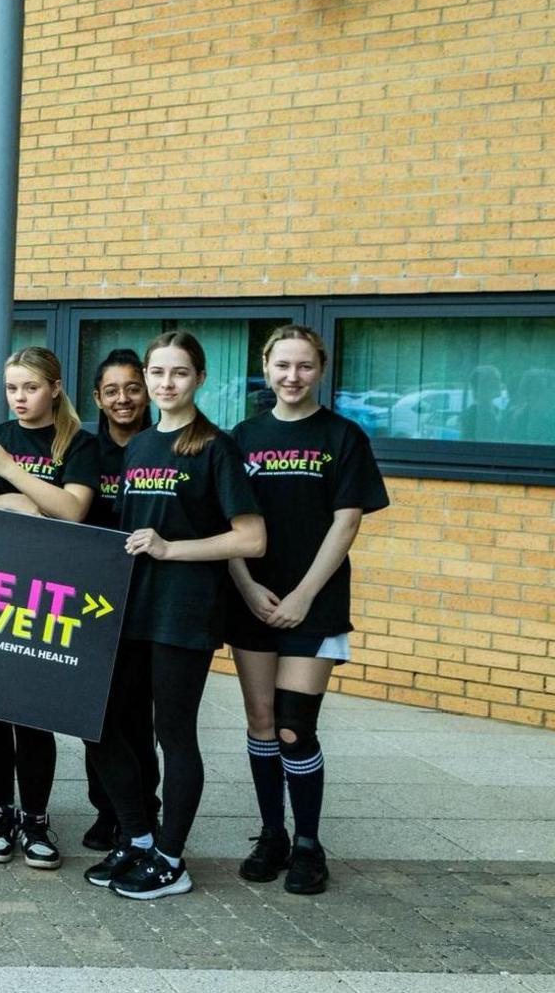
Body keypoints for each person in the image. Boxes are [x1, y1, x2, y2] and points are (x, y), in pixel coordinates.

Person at [86, 331, 265, 901]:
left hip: (184, 612)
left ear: (200, 379)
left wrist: (170, 549)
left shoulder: (215, 446)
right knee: (105, 724)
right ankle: (137, 838)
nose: (166, 384)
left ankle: (170, 858)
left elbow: (251, 538)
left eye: (179, 373)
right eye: (157, 373)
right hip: (131, 610)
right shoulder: (138, 448)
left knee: (173, 734)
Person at [227, 326, 388, 895]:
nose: (292, 377)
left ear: (320, 369)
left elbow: (346, 523)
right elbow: (228, 526)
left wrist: (302, 596)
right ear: (265, 368)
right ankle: (272, 833)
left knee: (296, 728)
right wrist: (247, 587)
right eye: (282, 365)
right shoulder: (241, 437)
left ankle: (309, 844)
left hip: (313, 606)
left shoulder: (343, 437)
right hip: (252, 600)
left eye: (304, 366)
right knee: (262, 723)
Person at [0, 347, 100, 873]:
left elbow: (73, 512)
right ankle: (1, 814)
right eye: (12, 388)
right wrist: (15, 503)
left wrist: (12, 473)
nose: (19, 397)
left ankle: (35, 819)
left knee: (34, 715)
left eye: (30, 387)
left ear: (55, 388)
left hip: (50, 595)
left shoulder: (79, 444)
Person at [79, 348, 157, 853]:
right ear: (97, 398)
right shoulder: (87, 450)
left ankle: (143, 810)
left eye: (132, 388)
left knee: (135, 715)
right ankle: (106, 809)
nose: (123, 399)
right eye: (112, 390)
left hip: (149, 598)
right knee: (92, 711)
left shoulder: (163, 446)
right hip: (92, 600)